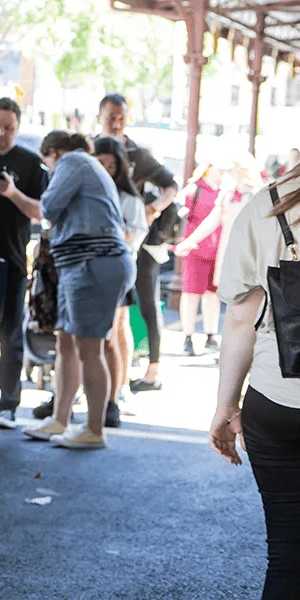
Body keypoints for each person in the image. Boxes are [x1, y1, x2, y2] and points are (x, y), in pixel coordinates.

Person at [211, 121, 300, 600]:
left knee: (292, 561)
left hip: (278, 405)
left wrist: (226, 405)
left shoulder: (267, 205)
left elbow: (240, 316)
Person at [24, 132, 134, 450]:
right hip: (85, 262)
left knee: (89, 348)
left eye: (46, 163)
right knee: (68, 342)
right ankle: (61, 418)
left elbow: (49, 206)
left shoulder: (73, 161)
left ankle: (94, 429)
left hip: (92, 262)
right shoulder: (88, 165)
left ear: (53, 153)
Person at [98, 94, 179, 392]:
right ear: (100, 117)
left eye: (121, 116)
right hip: (98, 244)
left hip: (138, 241)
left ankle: (149, 371)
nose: (116, 121)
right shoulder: (89, 149)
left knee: (141, 303)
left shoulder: (138, 154)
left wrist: (153, 208)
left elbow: (171, 184)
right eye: (110, 116)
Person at [0, 98, 48, 428]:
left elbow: (41, 211)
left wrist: (12, 193)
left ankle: (8, 404)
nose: (0, 134)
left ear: (17, 129)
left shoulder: (31, 163)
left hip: (14, 259)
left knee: (10, 335)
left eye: (8, 128)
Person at [92, 136, 148, 429]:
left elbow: (133, 237)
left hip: (115, 273)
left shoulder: (129, 200)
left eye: (109, 164)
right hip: (88, 270)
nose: (104, 168)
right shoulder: (88, 191)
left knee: (110, 339)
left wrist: (105, 228)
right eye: (99, 162)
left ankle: (111, 400)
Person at [175, 158, 240, 357]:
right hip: (196, 251)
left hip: (218, 251)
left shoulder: (226, 191)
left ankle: (210, 335)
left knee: (212, 295)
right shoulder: (194, 189)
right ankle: (188, 336)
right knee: (191, 294)